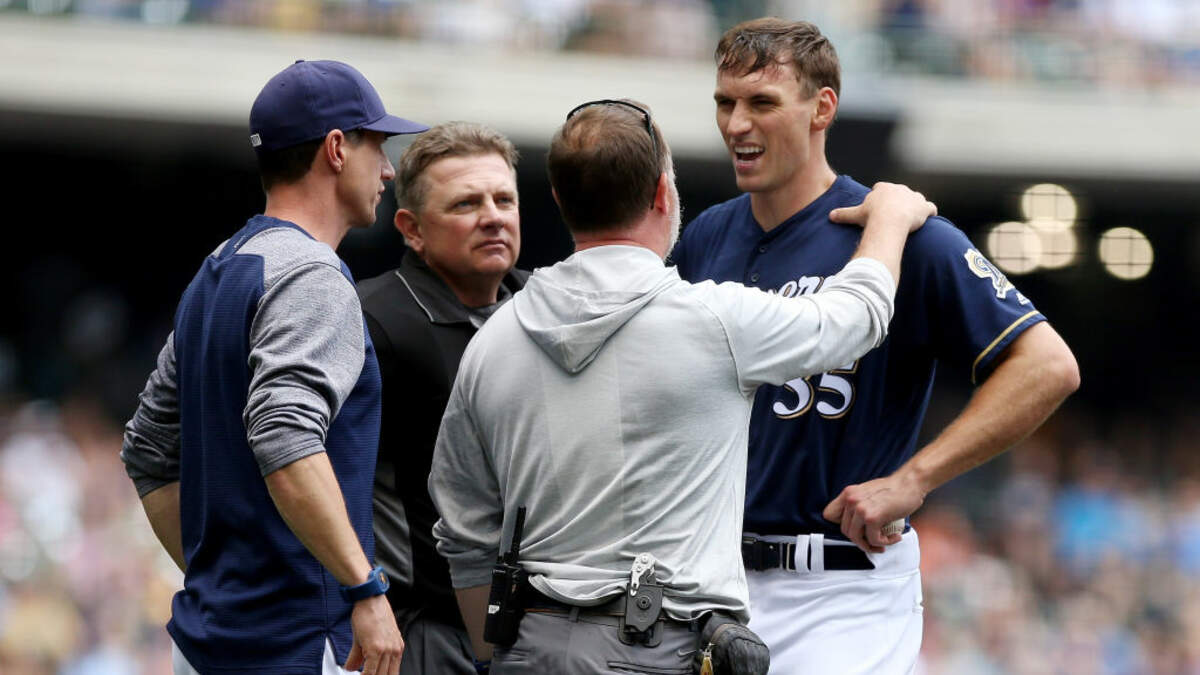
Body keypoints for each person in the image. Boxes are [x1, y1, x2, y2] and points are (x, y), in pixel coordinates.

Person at [427, 98, 936, 674]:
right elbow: (856, 319)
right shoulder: (712, 320)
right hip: (654, 646)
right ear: (661, 196)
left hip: (528, 646)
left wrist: (496, 654)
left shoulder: (493, 339)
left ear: (560, 200)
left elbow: (463, 529)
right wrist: (890, 217)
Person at [670, 18, 1081, 674]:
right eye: (726, 102)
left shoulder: (903, 233)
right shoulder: (705, 238)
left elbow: (1048, 365)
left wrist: (914, 479)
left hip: (843, 591)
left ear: (822, 108)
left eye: (762, 103)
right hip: (715, 587)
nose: (737, 123)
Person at [119, 59, 427, 675]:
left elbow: (147, 449)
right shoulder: (313, 274)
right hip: (295, 641)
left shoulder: (219, 267)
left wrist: (221, 583)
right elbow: (285, 435)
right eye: (378, 145)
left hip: (209, 642)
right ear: (336, 149)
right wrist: (365, 587)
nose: (388, 169)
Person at [357, 121, 527, 675]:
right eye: (466, 204)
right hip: (426, 632)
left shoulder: (549, 308)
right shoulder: (370, 320)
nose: (493, 216)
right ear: (412, 229)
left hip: (543, 627)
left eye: (504, 199)